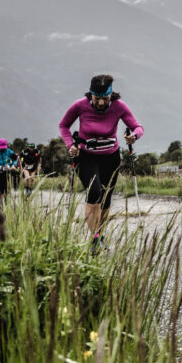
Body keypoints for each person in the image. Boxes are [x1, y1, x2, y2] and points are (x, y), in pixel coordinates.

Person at [59, 74, 143, 251]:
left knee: (105, 198)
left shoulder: (119, 106)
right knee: (94, 192)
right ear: (91, 95)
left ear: (111, 95)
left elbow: (137, 127)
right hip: (86, 156)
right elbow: (64, 126)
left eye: (105, 99)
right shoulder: (80, 105)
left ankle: (100, 232)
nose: (101, 103)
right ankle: (95, 237)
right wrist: (70, 146)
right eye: (97, 99)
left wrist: (133, 136)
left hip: (111, 158)